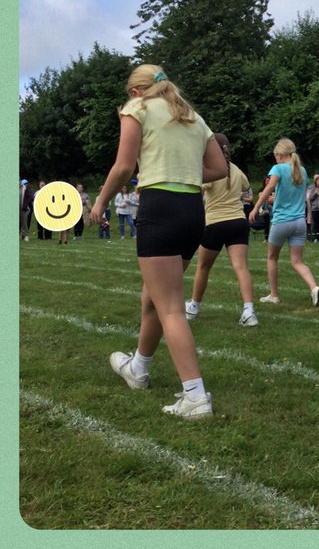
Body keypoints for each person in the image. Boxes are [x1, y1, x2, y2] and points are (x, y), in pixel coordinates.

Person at [92, 65, 226, 419]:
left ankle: (195, 395)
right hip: (192, 210)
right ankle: (139, 367)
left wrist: (101, 201)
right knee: (153, 296)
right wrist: (184, 169)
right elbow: (219, 168)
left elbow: (123, 167)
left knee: (170, 307)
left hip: (160, 207)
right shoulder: (193, 117)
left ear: (136, 92)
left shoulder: (135, 109)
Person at [184, 133, 258, 327]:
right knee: (241, 267)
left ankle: (193, 307)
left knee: (203, 267)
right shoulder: (237, 170)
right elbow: (246, 188)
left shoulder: (209, 170)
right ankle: (249, 311)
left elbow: (197, 189)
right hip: (238, 222)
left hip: (215, 223)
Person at [248, 138, 319, 307]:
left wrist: (255, 208)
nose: (275, 159)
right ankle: (314, 288)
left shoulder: (278, 168)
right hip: (299, 222)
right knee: (297, 261)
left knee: (272, 258)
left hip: (282, 221)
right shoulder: (302, 170)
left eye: (275, 155)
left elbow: (269, 187)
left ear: (280, 155)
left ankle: (274, 295)